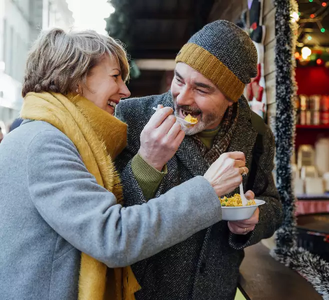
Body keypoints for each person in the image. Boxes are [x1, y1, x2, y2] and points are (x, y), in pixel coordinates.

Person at [0, 28, 248, 300]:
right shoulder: (45, 142)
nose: (125, 90)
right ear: (75, 80)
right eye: (115, 76)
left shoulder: (54, 136)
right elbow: (113, 237)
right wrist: (207, 190)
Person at [115, 20, 283, 300]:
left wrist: (254, 219)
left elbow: (275, 204)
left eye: (202, 89)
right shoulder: (132, 118)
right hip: (142, 292)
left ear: (231, 97)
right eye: (179, 79)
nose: (182, 97)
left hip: (217, 291)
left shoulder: (256, 132)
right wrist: (147, 163)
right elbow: (109, 219)